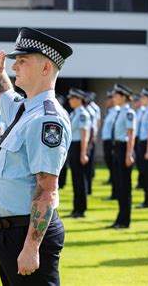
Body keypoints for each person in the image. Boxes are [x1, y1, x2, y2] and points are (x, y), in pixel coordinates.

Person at [0, 27, 72, 285]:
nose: (15, 67)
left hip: (29, 232)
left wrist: (32, 247)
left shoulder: (47, 118)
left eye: (22, 61)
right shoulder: (23, 108)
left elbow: (46, 189)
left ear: (46, 68)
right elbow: (0, 90)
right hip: (9, 231)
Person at [108, 83, 136, 229]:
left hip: (125, 148)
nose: (113, 98)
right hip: (118, 148)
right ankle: (120, 219)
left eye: (116, 95)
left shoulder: (129, 112)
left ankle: (125, 221)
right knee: (119, 186)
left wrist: (129, 154)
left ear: (123, 97)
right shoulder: (119, 111)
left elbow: (131, 134)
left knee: (125, 187)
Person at [67, 88, 91, 218]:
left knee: (80, 179)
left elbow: (84, 134)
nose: (70, 100)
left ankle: (81, 209)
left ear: (78, 100)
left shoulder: (83, 114)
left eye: (72, 98)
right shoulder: (74, 113)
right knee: (75, 179)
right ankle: (76, 208)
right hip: (73, 146)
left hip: (79, 147)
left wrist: (83, 153)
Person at [100, 90, 120, 200]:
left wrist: (113, 144)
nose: (106, 101)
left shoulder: (116, 111)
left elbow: (114, 129)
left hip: (112, 143)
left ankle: (116, 193)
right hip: (107, 141)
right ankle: (115, 192)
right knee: (112, 168)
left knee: (115, 169)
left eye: (108, 99)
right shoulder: (110, 111)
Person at [136, 88, 148, 208]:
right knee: (145, 174)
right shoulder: (145, 110)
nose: (141, 99)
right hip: (143, 143)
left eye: (143, 97)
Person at [133, 94, 146, 190]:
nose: (134, 103)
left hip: (144, 140)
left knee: (144, 164)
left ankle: (143, 183)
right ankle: (141, 182)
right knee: (139, 163)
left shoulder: (146, 111)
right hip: (138, 139)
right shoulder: (138, 112)